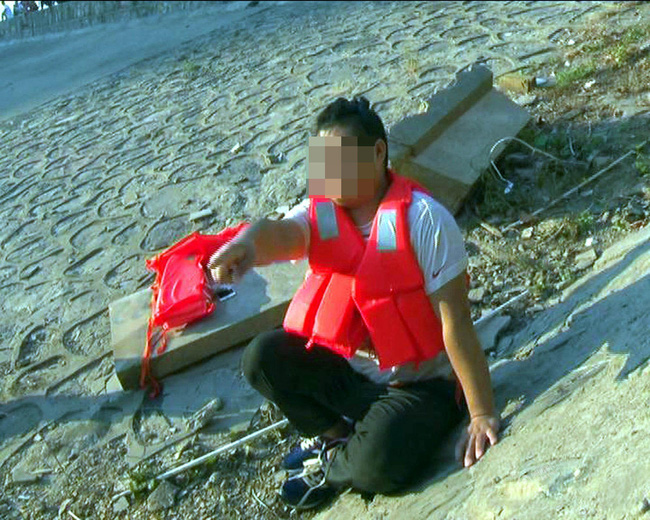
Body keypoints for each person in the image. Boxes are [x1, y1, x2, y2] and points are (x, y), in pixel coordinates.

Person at [208, 96, 499, 510]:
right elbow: (281, 233)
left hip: (421, 388)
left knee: (378, 465)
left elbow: (456, 323)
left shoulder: (424, 219)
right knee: (262, 357)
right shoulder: (319, 213)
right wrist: (247, 245)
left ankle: (334, 466)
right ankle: (336, 437)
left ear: (378, 153)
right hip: (353, 379)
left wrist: (481, 412)